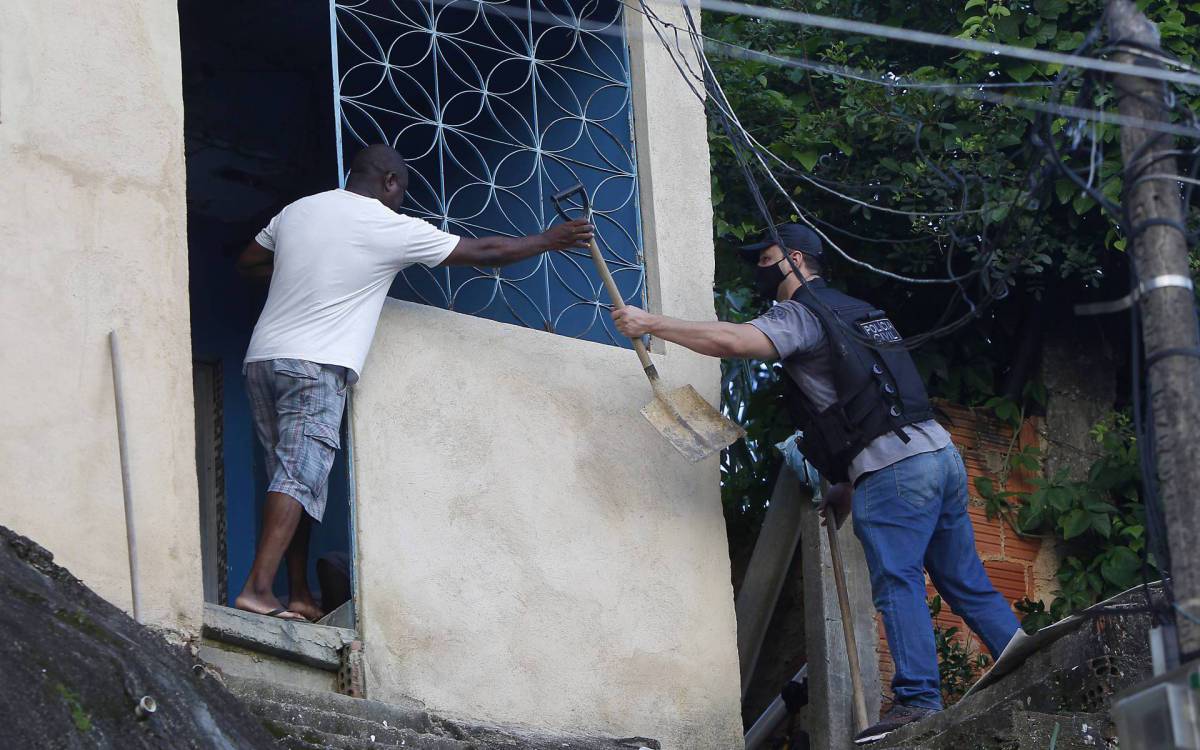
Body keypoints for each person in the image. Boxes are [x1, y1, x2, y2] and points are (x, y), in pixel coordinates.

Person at [610, 223, 1020, 744]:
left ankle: (917, 700)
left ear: (795, 258)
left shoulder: (799, 313)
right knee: (965, 581)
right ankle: (1025, 660)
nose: (759, 266)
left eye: (765, 257)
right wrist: (845, 485)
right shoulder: (859, 311)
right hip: (938, 457)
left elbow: (734, 340)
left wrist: (652, 324)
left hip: (893, 471)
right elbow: (870, 399)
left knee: (897, 580)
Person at [234, 144, 593, 623]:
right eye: (402, 190)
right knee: (300, 476)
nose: (402, 199)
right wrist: (552, 239)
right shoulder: (386, 226)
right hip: (315, 365)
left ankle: (298, 594)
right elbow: (485, 252)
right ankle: (258, 590)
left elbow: (248, 262)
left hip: (262, 359)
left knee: (292, 479)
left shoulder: (299, 210)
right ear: (389, 183)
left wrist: (307, 278)